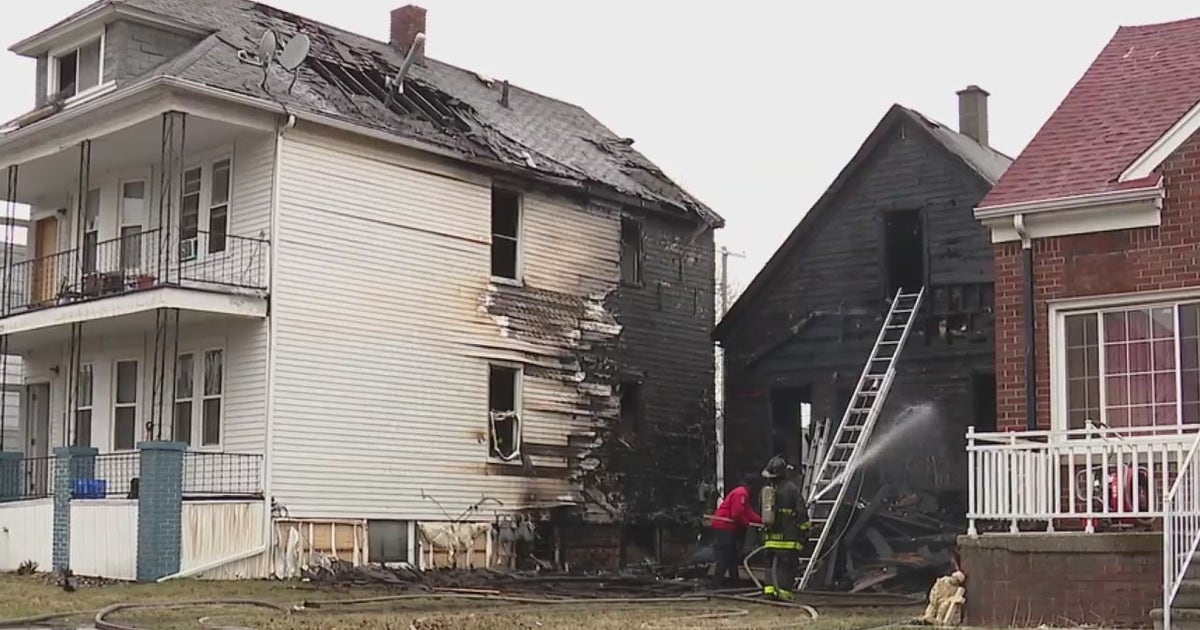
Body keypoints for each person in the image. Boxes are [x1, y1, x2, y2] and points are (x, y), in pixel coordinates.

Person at [759, 455, 811, 601]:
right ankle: (783, 593)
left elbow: (761, 510)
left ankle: (769, 592)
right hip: (788, 537)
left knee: (770, 565)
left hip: (770, 537)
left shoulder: (766, 490)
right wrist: (805, 528)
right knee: (786, 565)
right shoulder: (791, 489)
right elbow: (801, 511)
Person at [710, 473, 763, 587]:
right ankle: (716, 584)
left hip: (728, 527)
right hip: (724, 526)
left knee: (733, 556)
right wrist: (747, 524)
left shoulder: (743, 494)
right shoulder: (741, 493)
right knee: (725, 556)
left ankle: (734, 582)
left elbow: (748, 512)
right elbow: (737, 514)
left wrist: (761, 521)